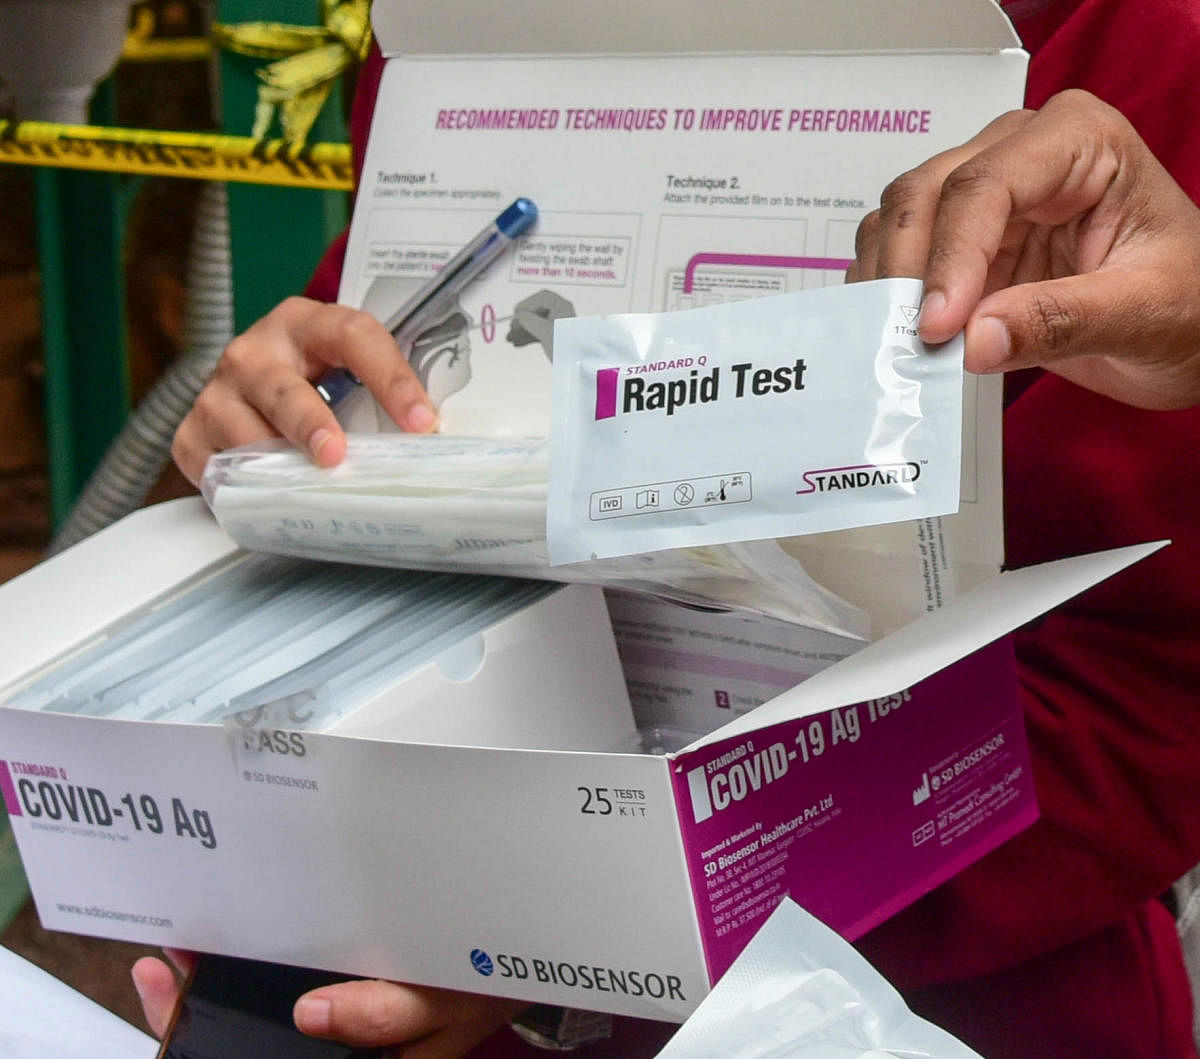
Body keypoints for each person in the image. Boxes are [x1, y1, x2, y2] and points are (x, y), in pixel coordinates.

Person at [145, 1, 1200, 1055]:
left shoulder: (1126, 54)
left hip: (920, 1006)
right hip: (452, 949)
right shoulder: (473, 36)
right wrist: (272, 434)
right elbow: (399, 342)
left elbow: (1141, 699)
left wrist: (603, 928)